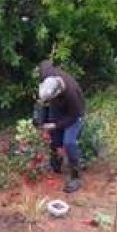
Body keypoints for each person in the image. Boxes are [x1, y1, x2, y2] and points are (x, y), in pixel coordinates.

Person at [37, 60, 86, 193]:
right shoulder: (47, 74)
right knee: (54, 138)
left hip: (74, 115)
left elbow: (73, 117)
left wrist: (55, 125)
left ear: (58, 92)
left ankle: (75, 177)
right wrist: (40, 116)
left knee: (69, 142)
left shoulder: (72, 94)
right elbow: (45, 63)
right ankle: (56, 163)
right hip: (58, 107)